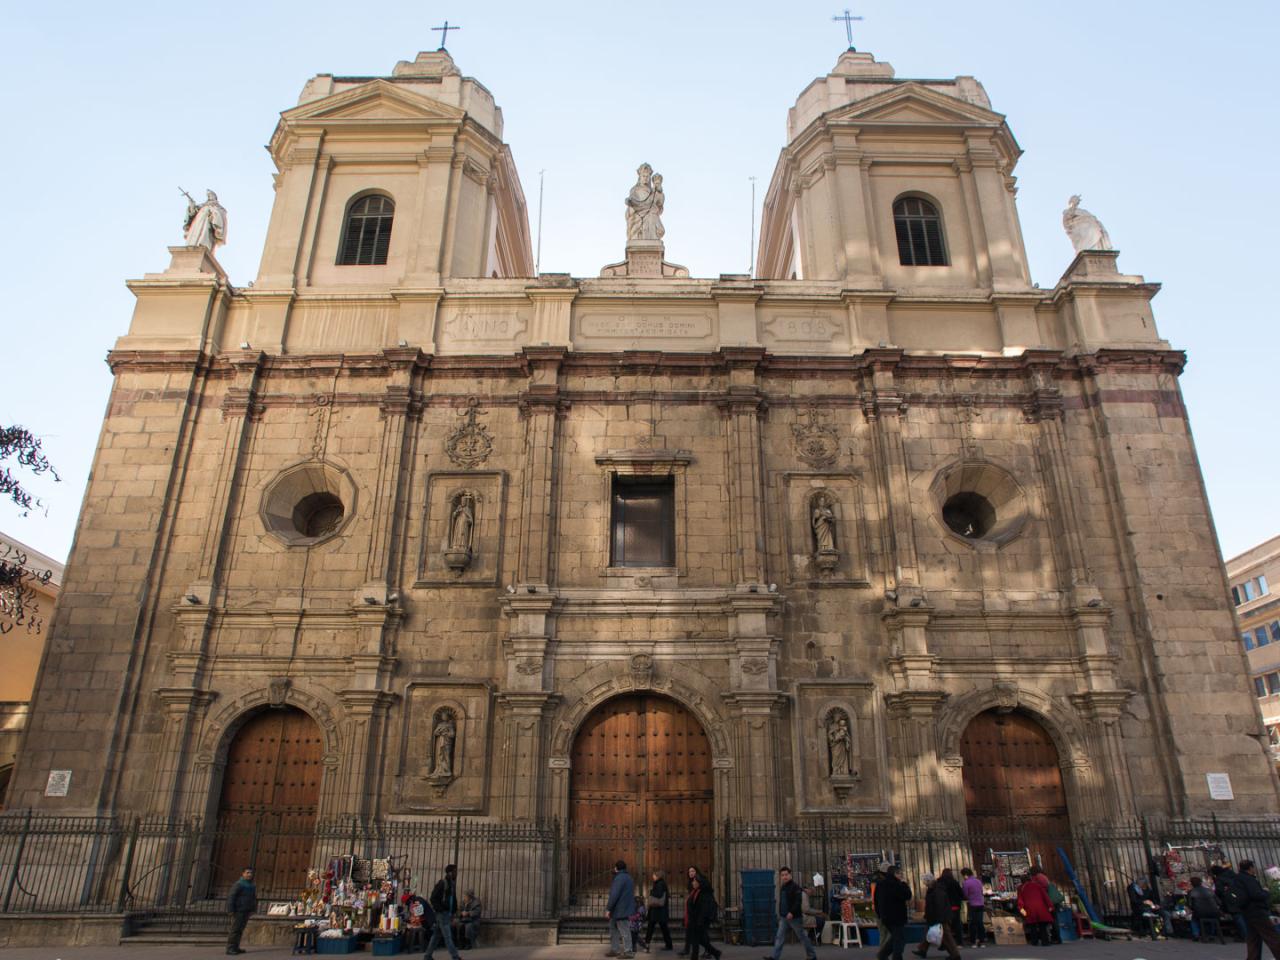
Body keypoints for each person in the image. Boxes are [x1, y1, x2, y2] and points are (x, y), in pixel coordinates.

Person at [764, 866, 817, 960]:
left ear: (790, 875)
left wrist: (791, 912)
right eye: (782, 875)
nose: (784, 877)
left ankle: (812, 956)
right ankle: (774, 957)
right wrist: (782, 913)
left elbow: (798, 901)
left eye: (786, 875)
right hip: (784, 917)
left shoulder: (795, 886)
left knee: (802, 938)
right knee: (779, 937)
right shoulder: (783, 887)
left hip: (794, 918)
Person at [1233, 859, 1280, 960]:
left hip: (1247, 912)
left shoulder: (1238, 878)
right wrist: (1266, 892)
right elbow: (1255, 894)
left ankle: (1253, 958)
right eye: (1253, 867)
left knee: (1253, 939)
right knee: (1272, 937)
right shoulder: (1249, 879)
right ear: (1250, 868)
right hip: (1257, 911)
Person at [914, 872, 961, 960]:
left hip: (940, 917)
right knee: (929, 933)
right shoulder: (933, 889)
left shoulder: (937, 890)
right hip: (934, 916)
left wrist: (938, 918)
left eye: (924, 881)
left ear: (928, 881)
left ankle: (955, 955)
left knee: (946, 936)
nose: (924, 883)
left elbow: (939, 905)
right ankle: (922, 949)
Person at [873, 864, 912, 960]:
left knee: (895, 937)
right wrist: (904, 884)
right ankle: (895, 957)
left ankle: (882, 955)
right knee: (899, 939)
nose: (901, 875)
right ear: (895, 874)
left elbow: (876, 900)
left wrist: (879, 914)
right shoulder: (897, 884)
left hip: (885, 917)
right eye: (899, 873)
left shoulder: (881, 884)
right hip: (897, 916)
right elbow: (907, 895)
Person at [426, 863, 462, 960]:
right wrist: (441, 909)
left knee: (436, 936)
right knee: (448, 937)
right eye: (455, 871)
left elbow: (453, 900)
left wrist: (454, 912)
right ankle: (455, 957)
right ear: (450, 873)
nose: (456, 873)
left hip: (446, 914)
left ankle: (427, 956)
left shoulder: (451, 884)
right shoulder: (442, 883)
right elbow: (433, 898)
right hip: (442, 914)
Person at [607, 859, 638, 959]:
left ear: (616, 868)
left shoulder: (619, 878)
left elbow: (614, 894)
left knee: (624, 931)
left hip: (620, 909)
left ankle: (628, 951)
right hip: (620, 909)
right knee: (613, 929)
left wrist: (608, 908)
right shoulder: (628, 877)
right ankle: (615, 949)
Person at [687, 873, 722, 960]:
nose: (693, 882)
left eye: (695, 881)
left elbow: (704, 910)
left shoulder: (704, 894)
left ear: (699, 882)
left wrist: (700, 921)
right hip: (695, 920)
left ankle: (694, 958)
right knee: (701, 940)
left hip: (700, 921)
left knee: (695, 941)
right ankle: (716, 952)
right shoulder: (695, 891)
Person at [1017, 867, 1054, 947]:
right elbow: (1045, 896)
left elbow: (1020, 901)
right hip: (1041, 908)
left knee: (1032, 926)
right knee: (1042, 926)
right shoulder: (1037, 885)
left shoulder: (1021, 888)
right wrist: (1050, 906)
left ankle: (1035, 941)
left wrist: (1022, 910)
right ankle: (1045, 941)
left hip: (1030, 909)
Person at [1213, 863, 1250, 940]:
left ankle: (1245, 935)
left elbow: (1219, 891)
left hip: (1231, 899)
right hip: (1241, 896)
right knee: (1243, 915)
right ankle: (1247, 933)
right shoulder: (1232, 874)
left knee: (1237, 917)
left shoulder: (1220, 879)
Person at [225, 866, 257, 956]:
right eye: (247, 873)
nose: (249, 874)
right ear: (243, 874)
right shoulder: (239, 884)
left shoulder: (251, 885)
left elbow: (253, 898)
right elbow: (231, 897)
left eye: (251, 873)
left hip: (246, 910)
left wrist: (253, 909)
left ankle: (236, 946)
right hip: (238, 910)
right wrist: (231, 910)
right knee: (235, 929)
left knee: (240, 929)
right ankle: (230, 948)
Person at [646, 869, 674, 951]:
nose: (652, 876)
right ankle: (669, 945)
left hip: (657, 910)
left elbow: (658, 894)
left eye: (654, 875)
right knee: (663, 928)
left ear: (658, 876)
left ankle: (647, 943)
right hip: (660, 911)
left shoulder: (660, 884)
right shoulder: (661, 883)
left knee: (651, 927)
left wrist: (651, 892)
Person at [1187, 876, 1220, 941]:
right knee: (1212, 918)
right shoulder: (1209, 890)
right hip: (1213, 911)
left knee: (1194, 920)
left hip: (1199, 912)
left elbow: (1190, 904)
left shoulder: (1191, 892)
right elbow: (1218, 902)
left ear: (1192, 884)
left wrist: (1192, 909)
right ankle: (1211, 934)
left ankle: (1196, 934)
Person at [679, 866, 701, 957]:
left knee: (699, 934)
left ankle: (710, 950)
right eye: (689, 872)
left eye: (693, 871)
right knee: (688, 931)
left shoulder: (699, 882)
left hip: (696, 912)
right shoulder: (690, 883)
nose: (691, 873)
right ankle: (687, 949)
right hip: (690, 911)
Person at [960, 868, 986, 947]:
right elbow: (982, 891)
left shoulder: (966, 883)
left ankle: (973, 941)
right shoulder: (978, 881)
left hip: (972, 904)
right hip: (981, 904)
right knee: (980, 923)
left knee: (973, 923)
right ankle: (982, 941)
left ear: (965, 875)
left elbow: (965, 894)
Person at [401, 888, 431, 952]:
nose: (407, 905)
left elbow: (419, 915)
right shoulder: (414, 902)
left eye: (406, 903)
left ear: (409, 900)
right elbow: (415, 915)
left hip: (426, 921)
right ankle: (409, 946)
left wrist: (411, 921)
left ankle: (413, 947)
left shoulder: (417, 901)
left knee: (411, 929)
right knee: (409, 928)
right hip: (422, 920)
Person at [940, 869, 964, 946]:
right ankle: (959, 942)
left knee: (946, 926)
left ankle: (946, 943)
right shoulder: (955, 882)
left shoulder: (940, 883)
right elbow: (961, 893)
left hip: (945, 907)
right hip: (955, 906)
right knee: (957, 924)